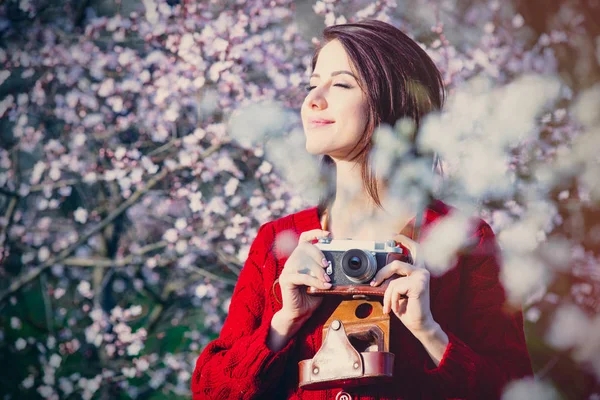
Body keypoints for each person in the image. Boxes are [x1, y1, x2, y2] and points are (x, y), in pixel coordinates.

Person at [191, 19, 533, 399]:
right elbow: (210, 391)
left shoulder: (463, 240)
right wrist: (283, 322)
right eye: (312, 84)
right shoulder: (278, 242)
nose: (313, 100)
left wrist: (429, 332)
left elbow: (513, 390)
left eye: (340, 84)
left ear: (394, 100)